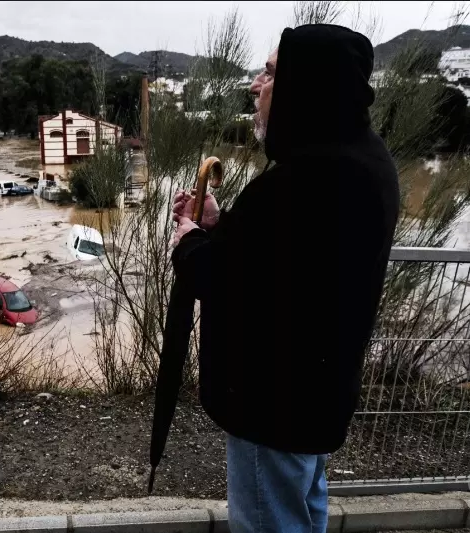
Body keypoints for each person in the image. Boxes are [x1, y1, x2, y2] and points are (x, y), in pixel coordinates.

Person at [170, 24, 399, 533]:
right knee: (303, 513)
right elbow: (281, 260)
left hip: (273, 405)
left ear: (307, 85)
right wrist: (215, 222)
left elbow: (226, 278)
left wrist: (187, 241)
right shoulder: (363, 162)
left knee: (270, 523)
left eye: (270, 73)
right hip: (315, 398)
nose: (255, 84)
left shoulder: (301, 181)